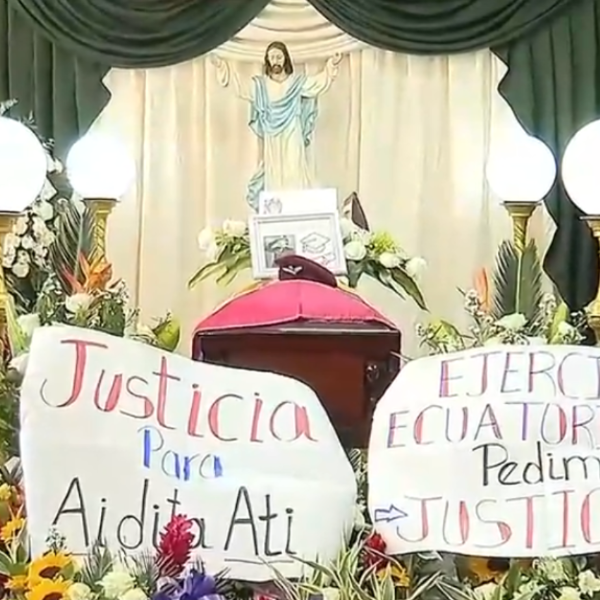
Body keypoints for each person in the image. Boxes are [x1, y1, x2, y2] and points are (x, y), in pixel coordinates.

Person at [211, 42, 342, 209]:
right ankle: (276, 211)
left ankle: (297, 209)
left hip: (292, 131)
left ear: (285, 58)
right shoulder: (261, 86)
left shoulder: (296, 83)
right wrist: (222, 66)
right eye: (272, 57)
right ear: (267, 60)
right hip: (272, 136)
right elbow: (240, 86)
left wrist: (331, 65)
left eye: (279, 57)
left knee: (294, 167)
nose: (276, 61)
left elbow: (317, 83)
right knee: (274, 172)